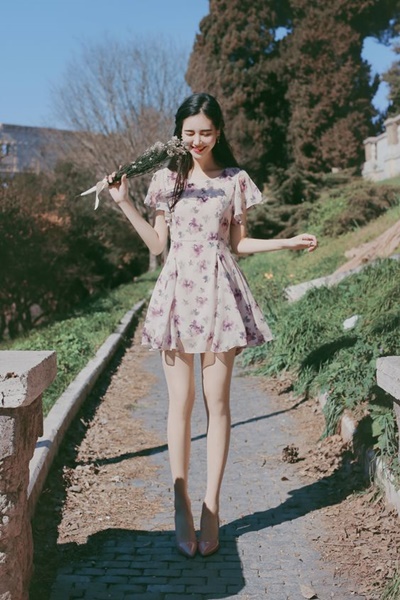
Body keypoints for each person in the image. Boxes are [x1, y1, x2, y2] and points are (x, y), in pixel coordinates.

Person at [107, 92, 317, 558]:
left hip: (221, 294)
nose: (197, 141)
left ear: (218, 132)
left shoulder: (235, 180)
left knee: (217, 404)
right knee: (179, 404)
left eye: (205, 132)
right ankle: (180, 503)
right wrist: (123, 202)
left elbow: (238, 243)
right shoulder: (166, 179)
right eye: (189, 133)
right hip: (178, 294)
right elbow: (157, 245)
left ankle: (211, 506)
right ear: (178, 134)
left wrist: (286, 242)